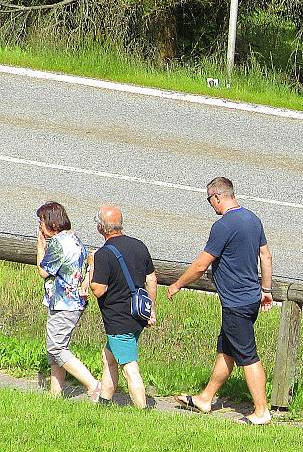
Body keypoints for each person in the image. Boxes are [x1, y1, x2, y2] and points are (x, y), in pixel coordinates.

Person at [169, 177, 274, 425]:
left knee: (248, 356)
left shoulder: (224, 226)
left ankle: (262, 411)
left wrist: (177, 284)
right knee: (226, 350)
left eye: (210, 201)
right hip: (249, 297)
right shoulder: (252, 219)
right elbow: (266, 256)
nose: (211, 206)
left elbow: (201, 265)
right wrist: (266, 289)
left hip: (236, 301)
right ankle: (206, 398)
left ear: (217, 196)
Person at [88, 205, 157, 409]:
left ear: (101, 228)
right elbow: (151, 279)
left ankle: (142, 412)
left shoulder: (103, 255)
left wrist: (92, 265)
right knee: (108, 356)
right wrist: (151, 310)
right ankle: (104, 402)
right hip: (137, 315)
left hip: (119, 319)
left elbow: (98, 290)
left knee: (129, 366)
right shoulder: (139, 245)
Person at [35, 201, 102, 402]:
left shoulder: (57, 243)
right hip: (74, 301)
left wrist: (40, 247)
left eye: (41, 222)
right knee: (55, 347)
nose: (39, 227)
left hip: (64, 302)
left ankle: (92, 385)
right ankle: (56, 392)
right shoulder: (74, 238)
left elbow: (43, 270)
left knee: (56, 348)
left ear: (52, 223)